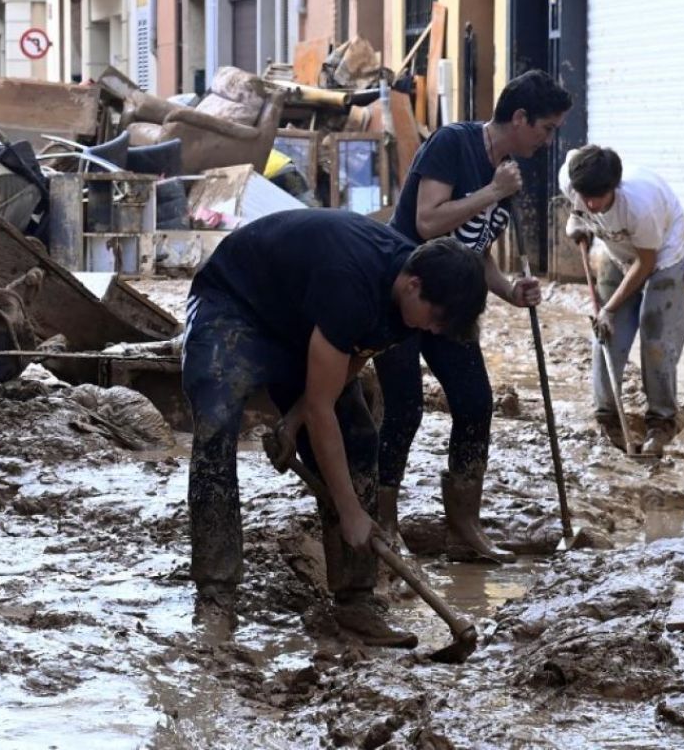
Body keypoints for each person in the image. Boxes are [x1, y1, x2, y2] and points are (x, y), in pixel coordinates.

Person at [182, 209, 488, 647]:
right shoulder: (354, 284)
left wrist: (293, 420)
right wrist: (350, 512)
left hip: (306, 321)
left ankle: (355, 603)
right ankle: (216, 597)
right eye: (436, 318)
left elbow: (355, 356)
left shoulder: (410, 301)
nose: (436, 329)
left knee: (359, 438)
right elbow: (323, 406)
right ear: (413, 285)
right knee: (216, 421)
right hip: (235, 301)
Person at [373, 70, 572, 564]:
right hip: (408, 292)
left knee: (476, 401)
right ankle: (383, 521)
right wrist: (492, 191)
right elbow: (428, 220)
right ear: (520, 118)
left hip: (456, 301)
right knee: (405, 407)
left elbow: (475, 246)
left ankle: (464, 524)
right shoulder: (453, 144)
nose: (548, 141)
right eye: (546, 129)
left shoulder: (511, 171)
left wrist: (508, 289)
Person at [561, 146, 684, 456]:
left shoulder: (639, 206)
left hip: (663, 258)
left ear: (614, 188)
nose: (590, 203)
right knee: (606, 335)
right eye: (584, 196)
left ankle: (661, 422)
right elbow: (577, 197)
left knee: (655, 338)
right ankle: (608, 418)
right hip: (618, 253)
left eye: (598, 198)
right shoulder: (573, 179)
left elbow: (645, 264)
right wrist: (576, 220)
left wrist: (608, 307)